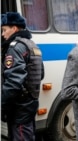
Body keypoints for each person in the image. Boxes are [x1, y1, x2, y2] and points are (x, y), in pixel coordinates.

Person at [1, 12, 44, 140]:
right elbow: (40, 74)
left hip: (19, 106)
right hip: (30, 103)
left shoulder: (15, 48)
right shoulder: (31, 45)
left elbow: (13, 82)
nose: (2, 34)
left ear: (14, 29)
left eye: (4, 30)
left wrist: (1, 103)